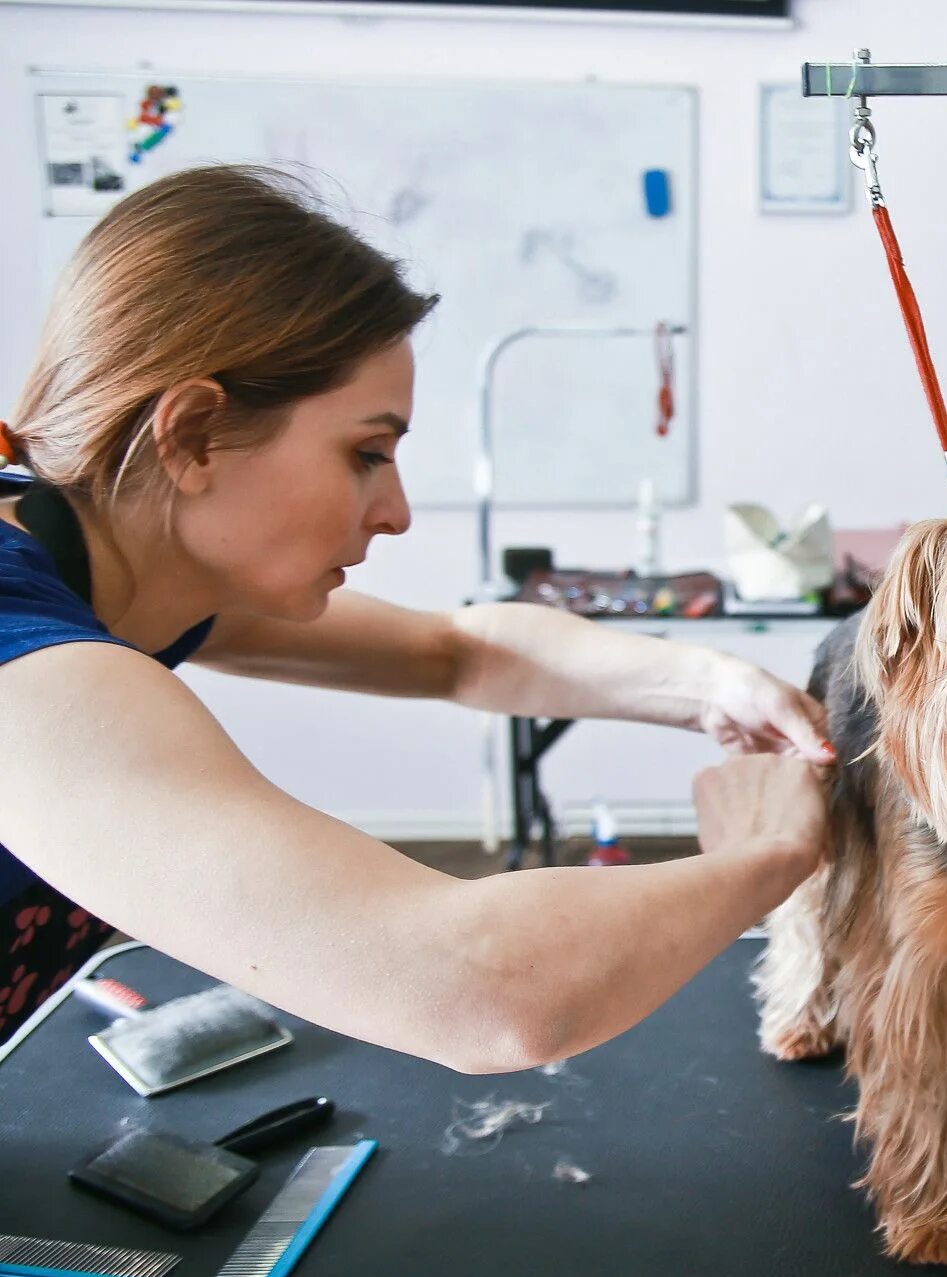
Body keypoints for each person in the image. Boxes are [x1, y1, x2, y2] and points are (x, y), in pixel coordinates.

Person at [0, 164, 833, 1071]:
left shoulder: (115, 558)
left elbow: (456, 651)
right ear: (195, 435)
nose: (395, 511)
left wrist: (713, 684)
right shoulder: (31, 671)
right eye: (366, 453)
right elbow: (482, 990)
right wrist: (769, 852)